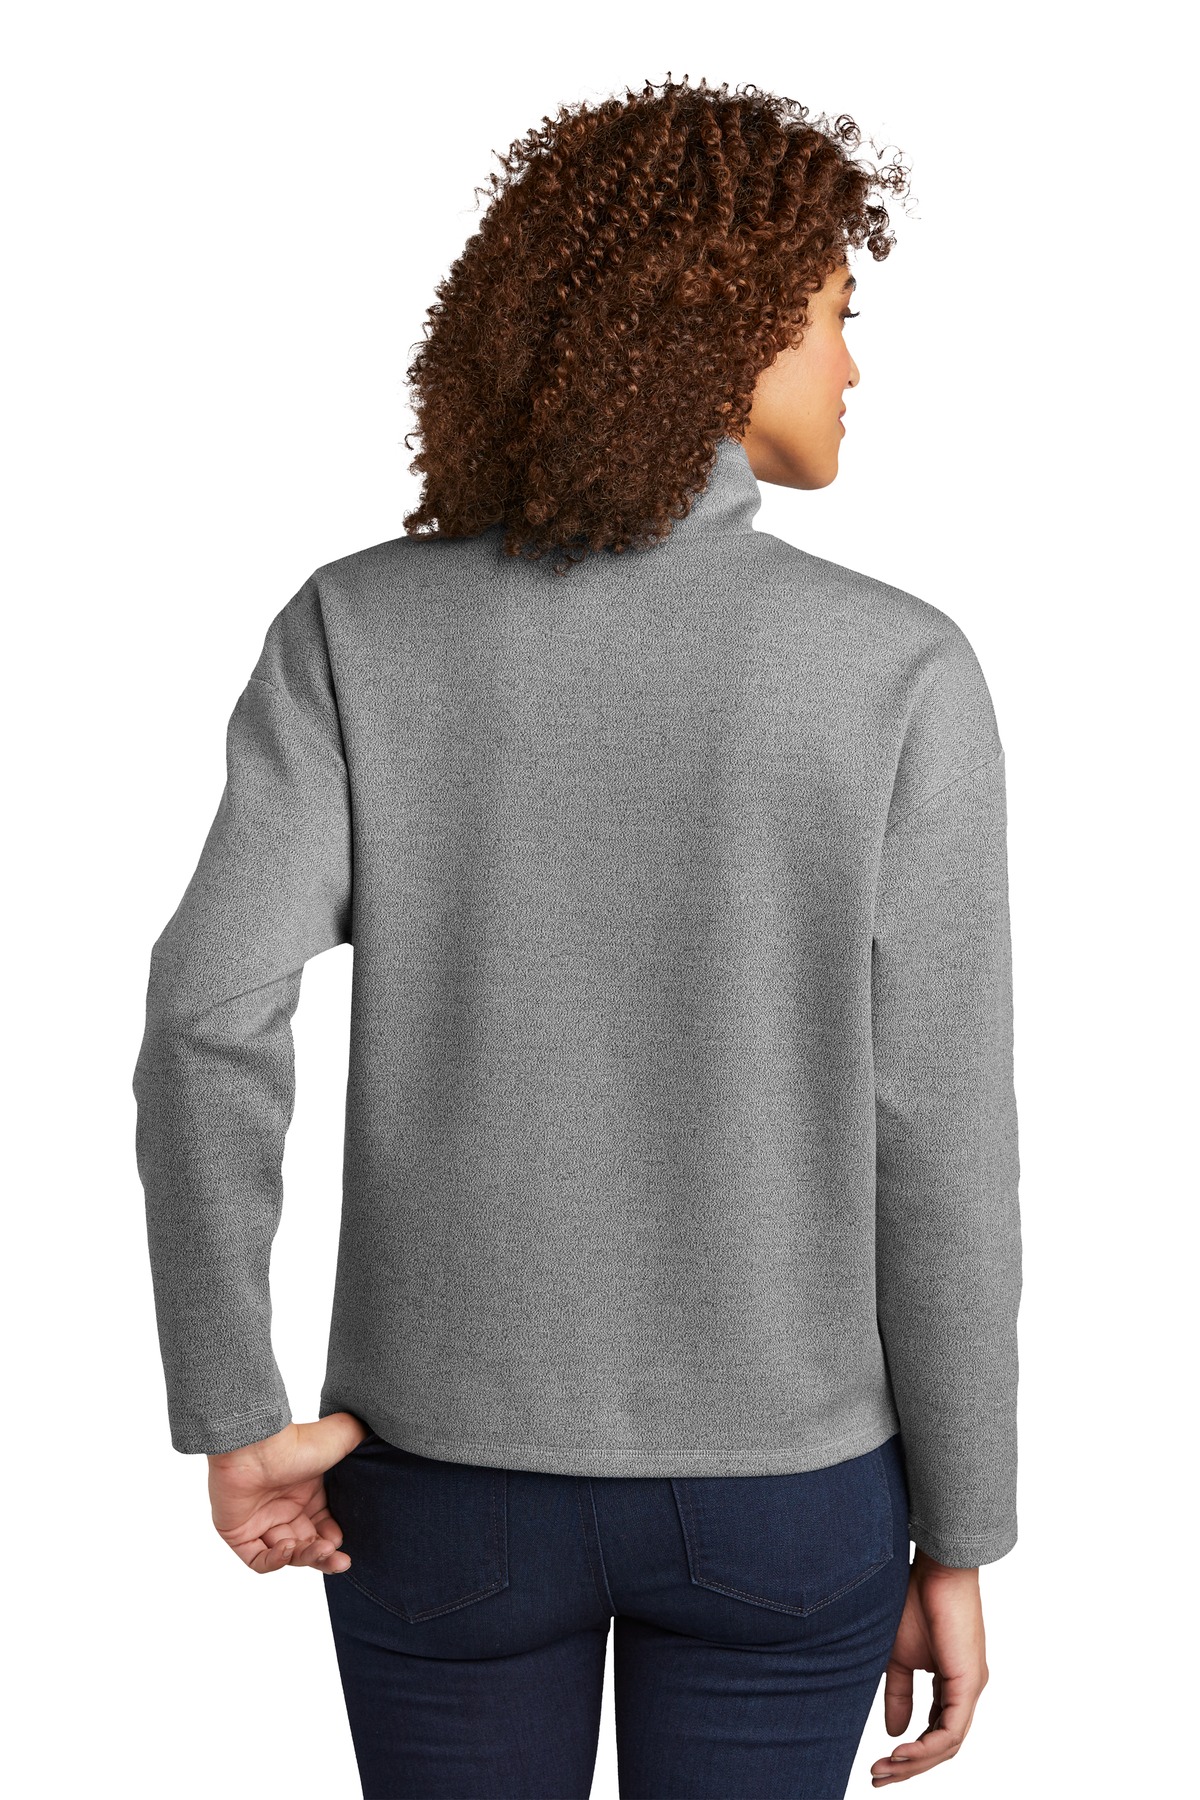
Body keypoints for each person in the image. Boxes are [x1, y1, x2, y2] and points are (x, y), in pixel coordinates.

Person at [132, 75, 1022, 1799]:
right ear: (731, 327)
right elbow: (942, 1140)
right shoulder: (901, 673)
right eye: (839, 317)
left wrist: (235, 1415)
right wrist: (964, 1530)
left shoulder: (358, 629)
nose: (855, 366)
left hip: (436, 1491)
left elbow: (203, 1016)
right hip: (789, 1503)